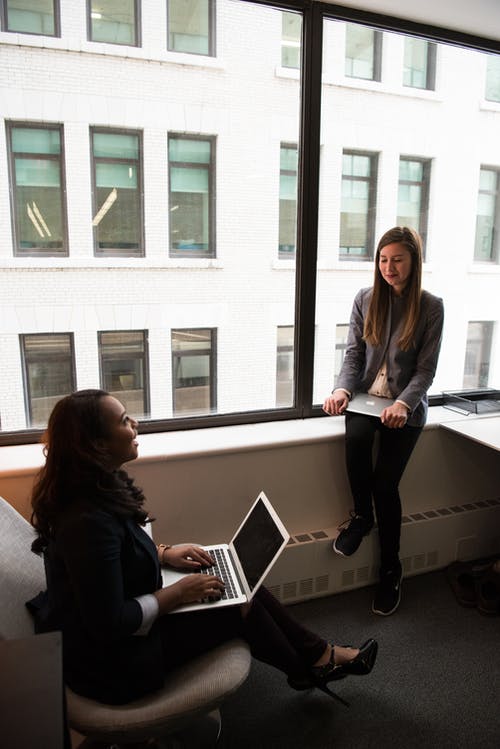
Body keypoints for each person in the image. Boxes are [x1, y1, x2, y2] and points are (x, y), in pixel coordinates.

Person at [28, 389, 377, 725]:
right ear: (97, 444)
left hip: (125, 625)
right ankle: (312, 665)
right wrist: (178, 594)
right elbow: (109, 624)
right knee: (240, 607)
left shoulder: (97, 486)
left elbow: (118, 552)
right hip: (111, 664)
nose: (135, 424)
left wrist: (165, 554)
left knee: (239, 583)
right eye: (123, 420)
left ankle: (316, 659)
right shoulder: (86, 521)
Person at [323, 226, 444, 617]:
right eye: (383, 259)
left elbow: (425, 372)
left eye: (398, 259)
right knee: (356, 438)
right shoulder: (365, 299)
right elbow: (353, 356)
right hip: (365, 400)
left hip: (404, 409)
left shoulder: (430, 307)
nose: (389, 267)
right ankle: (361, 517)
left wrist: (404, 405)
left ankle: (391, 569)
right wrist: (342, 390)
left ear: (413, 262)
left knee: (386, 485)